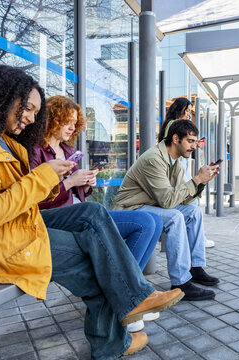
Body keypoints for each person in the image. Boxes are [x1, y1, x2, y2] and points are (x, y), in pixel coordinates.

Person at [0, 64, 183, 359]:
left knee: (92, 213)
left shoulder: (4, 142)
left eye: (34, 112)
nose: (30, 118)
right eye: (27, 108)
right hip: (2, 241)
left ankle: (134, 300)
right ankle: (112, 338)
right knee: (97, 258)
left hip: (18, 227)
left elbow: (22, 197)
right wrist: (47, 177)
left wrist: (56, 181)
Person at [30, 95, 163, 332]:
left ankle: (128, 296)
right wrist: (69, 183)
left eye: (75, 122)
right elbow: (34, 198)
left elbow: (80, 192)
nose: (72, 127)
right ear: (53, 119)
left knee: (150, 222)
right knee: (106, 213)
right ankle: (128, 301)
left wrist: (86, 182)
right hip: (57, 218)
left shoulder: (68, 149)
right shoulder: (36, 150)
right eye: (67, 121)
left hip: (78, 212)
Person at [111, 120, 220, 301]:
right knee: (174, 217)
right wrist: (196, 180)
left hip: (149, 205)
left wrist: (201, 182)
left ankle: (195, 267)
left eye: (195, 141)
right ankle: (181, 282)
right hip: (129, 209)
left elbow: (181, 198)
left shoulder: (175, 162)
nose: (194, 146)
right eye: (190, 141)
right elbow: (168, 201)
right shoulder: (154, 159)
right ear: (176, 139)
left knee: (193, 211)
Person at [158, 98, 214, 248]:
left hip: (181, 166)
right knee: (191, 201)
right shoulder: (173, 125)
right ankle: (198, 239)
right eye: (187, 110)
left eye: (190, 111)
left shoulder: (170, 124)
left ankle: (197, 239)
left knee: (191, 203)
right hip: (178, 167)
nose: (189, 114)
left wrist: (195, 143)